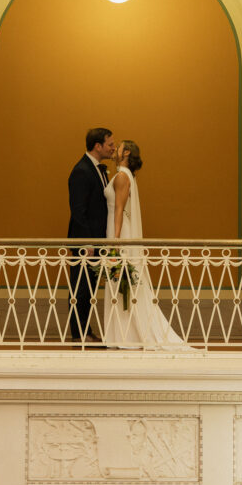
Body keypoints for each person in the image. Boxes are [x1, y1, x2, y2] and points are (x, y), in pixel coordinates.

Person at [103, 140, 194, 350]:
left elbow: (118, 210)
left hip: (118, 233)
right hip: (117, 230)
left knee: (120, 281)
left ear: (126, 153)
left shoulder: (122, 177)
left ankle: (127, 335)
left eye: (119, 147)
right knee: (119, 283)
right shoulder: (126, 176)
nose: (115, 149)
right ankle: (123, 334)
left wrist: (115, 243)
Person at [67, 127, 115, 342]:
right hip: (85, 242)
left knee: (90, 288)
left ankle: (85, 330)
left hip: (96, 241)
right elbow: (78, 210)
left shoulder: (97, 169)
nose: (113, 148)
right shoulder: (81, 171)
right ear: (98, 146)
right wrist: (86, 242)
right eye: (110, 144)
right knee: (81, 288)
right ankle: (79, 333)